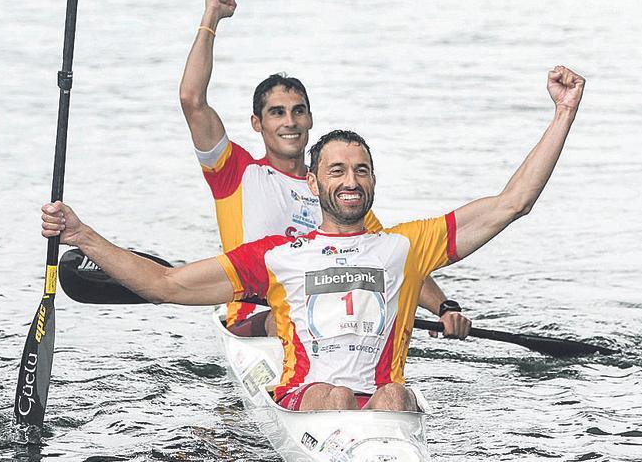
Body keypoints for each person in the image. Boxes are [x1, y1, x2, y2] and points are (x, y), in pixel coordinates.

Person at [41, 65, 586, 411]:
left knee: (396, 395)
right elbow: (164, 284)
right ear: (314, 180)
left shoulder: (402, 245)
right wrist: (84, 234)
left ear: (372, 180)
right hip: (309, 398)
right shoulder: (277, 257)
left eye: (362, 170)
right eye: (338, 171)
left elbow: (512, 204)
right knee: (337, 394)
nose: (350, 181)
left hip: (384, 406)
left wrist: (563, 112)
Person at [178, 0, 468, 338]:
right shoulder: (235, 173)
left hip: (327, 322)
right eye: (277, 113)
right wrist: (212, 18)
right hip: (258, 320)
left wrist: (443, 306)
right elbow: (192, 100)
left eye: (298, 111)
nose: (290, 122)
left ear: (310, 119)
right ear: (257, 123)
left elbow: (396, 257)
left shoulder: (337, 192)